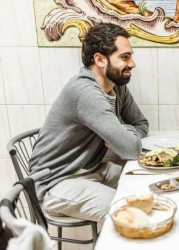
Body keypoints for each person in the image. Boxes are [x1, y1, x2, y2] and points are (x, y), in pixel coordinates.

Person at [29, 23, 149, 222]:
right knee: (130, 215)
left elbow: (141, 124)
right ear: (100, 59)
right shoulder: (85, 92)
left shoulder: (117, 87)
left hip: (89, 170)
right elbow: (131, 150)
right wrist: (124, 137)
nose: (132, 64)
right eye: (124, 57)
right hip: (55, 182)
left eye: (131, 56)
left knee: (149, 186)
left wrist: (123, 131)